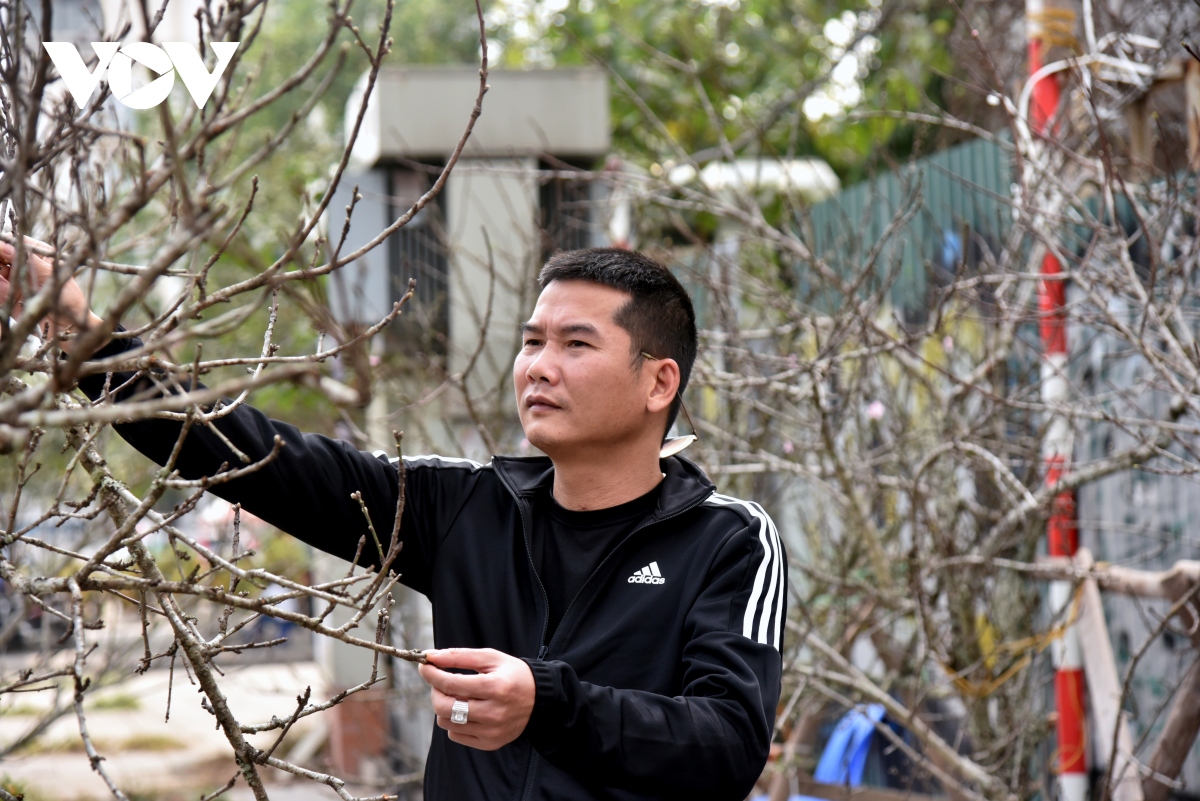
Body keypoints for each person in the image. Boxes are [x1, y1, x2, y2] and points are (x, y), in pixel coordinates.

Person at [1, 242, 786, 800]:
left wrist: (548, 700)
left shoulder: (728, 539)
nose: (539, 365)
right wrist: (83, 334)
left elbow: (726, 745)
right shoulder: (468, 505)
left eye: (576, 344)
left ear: (659, 383)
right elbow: (258, 458)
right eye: (532, 341)